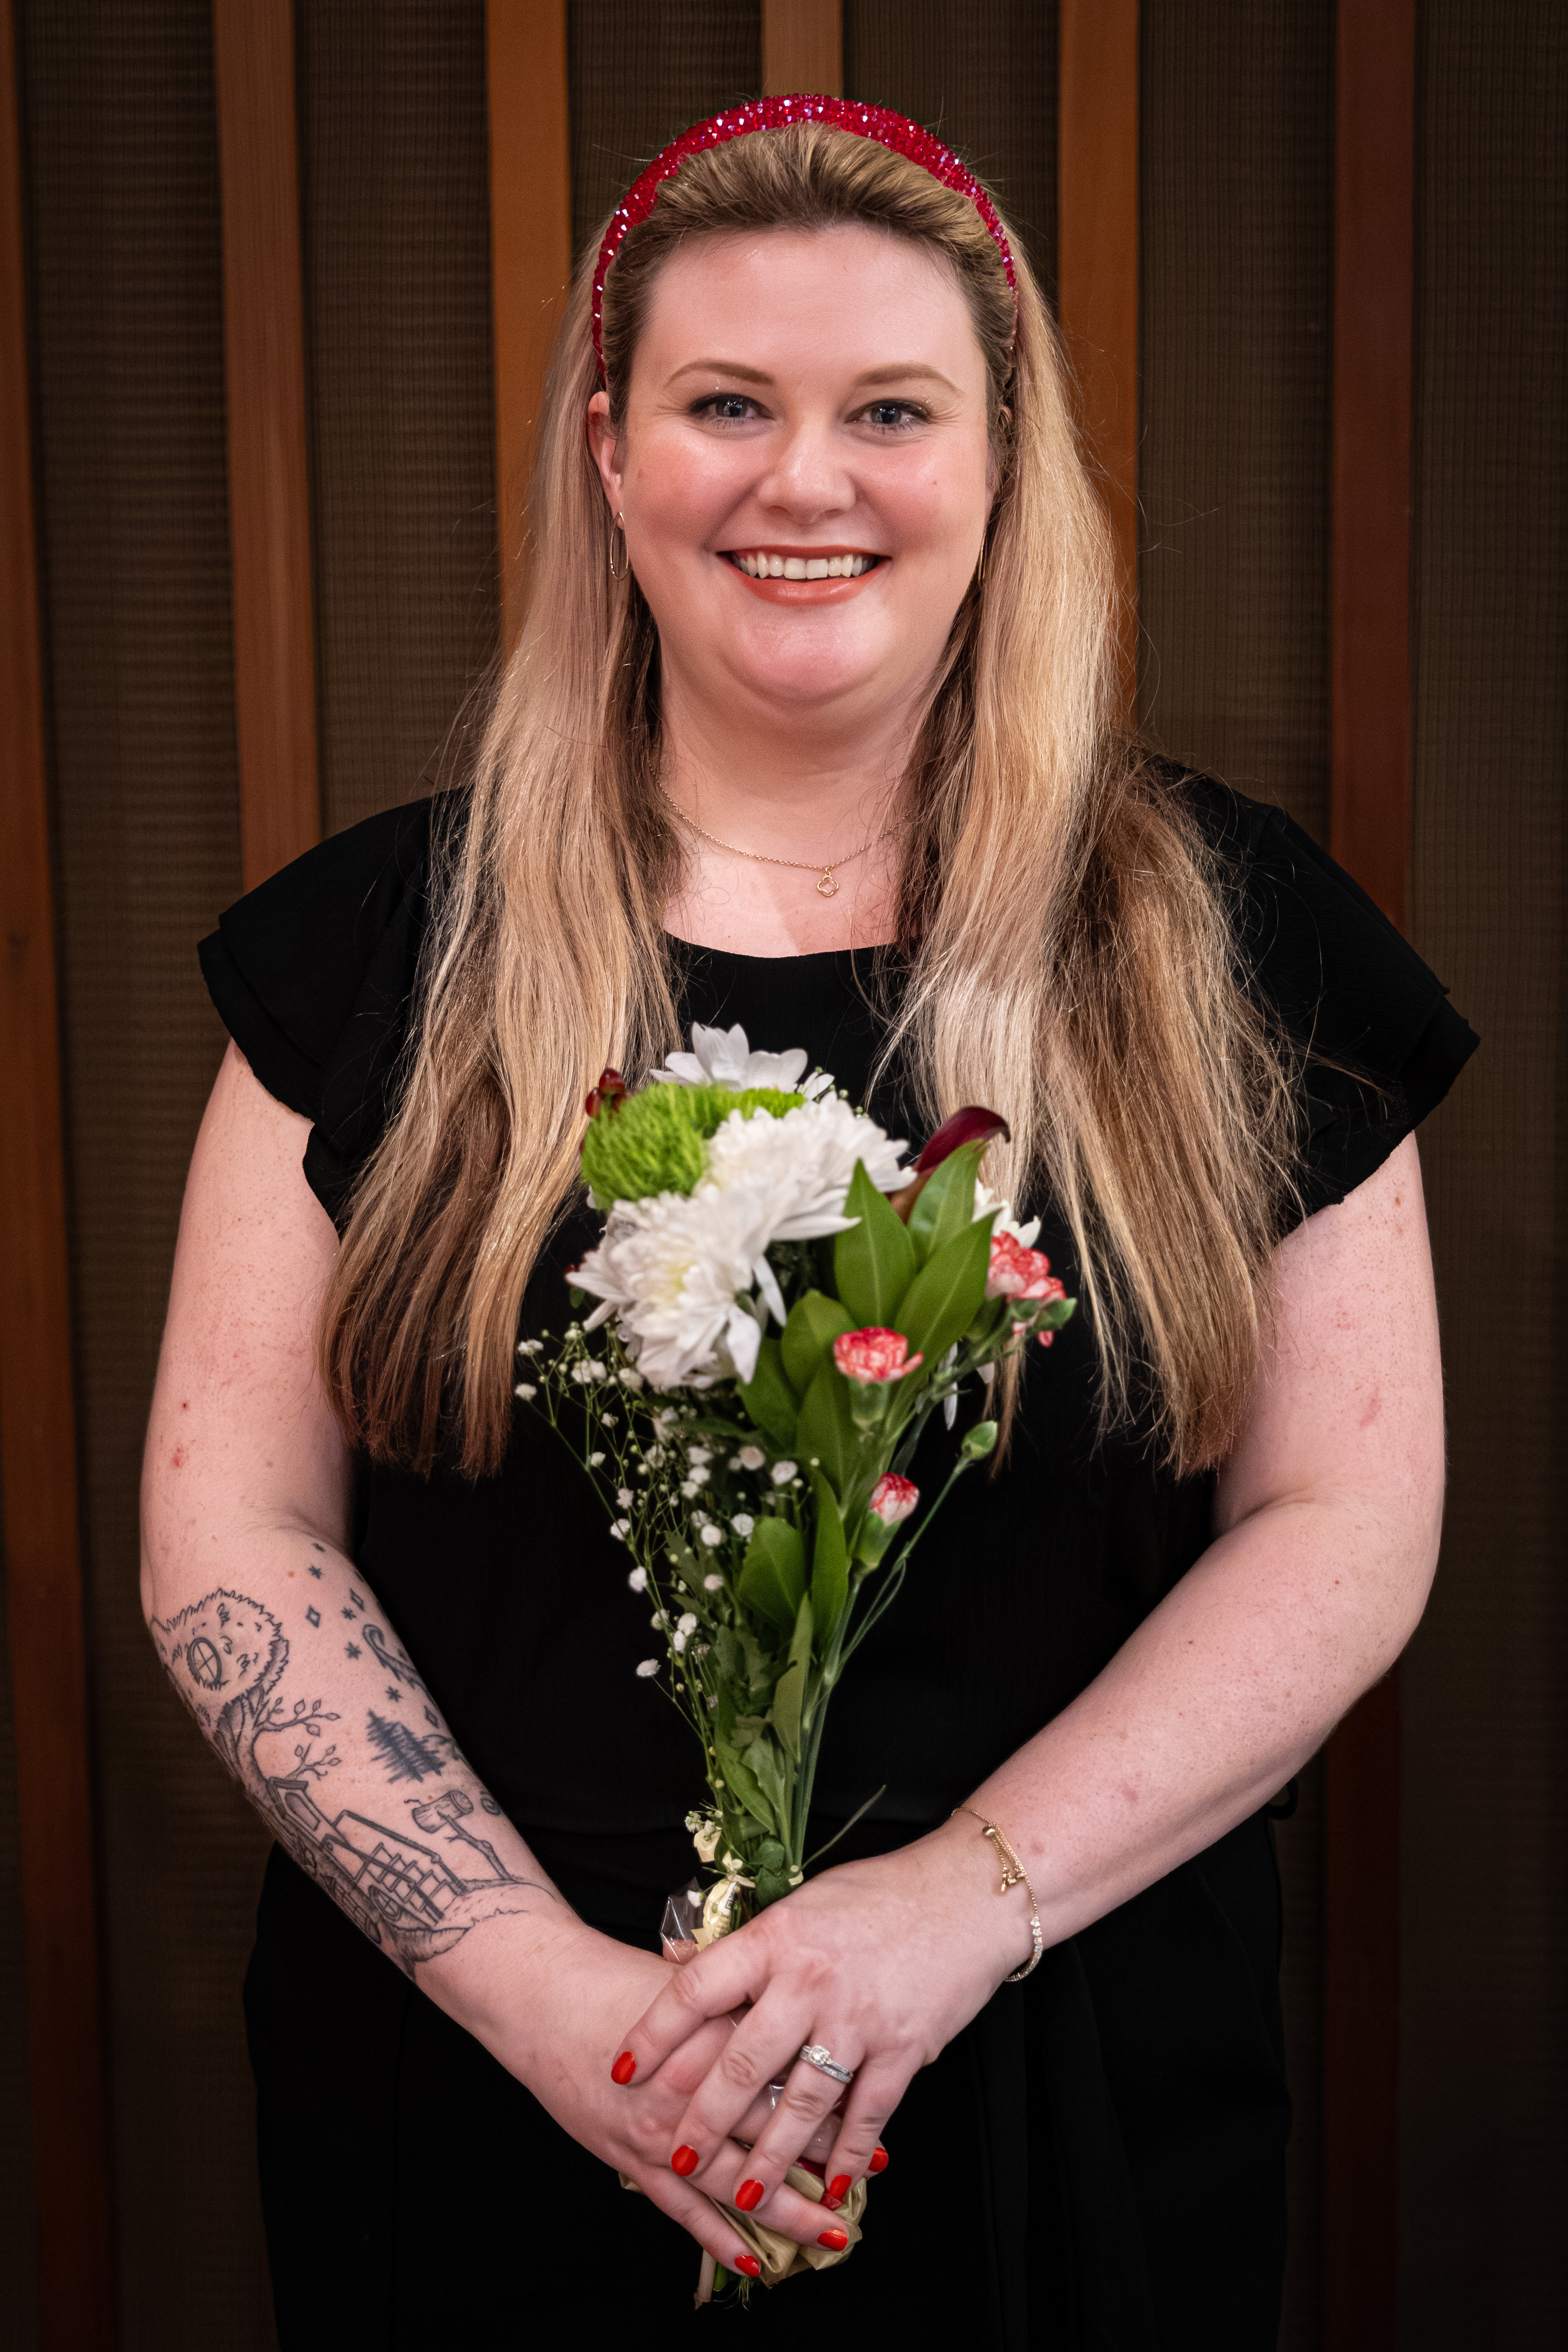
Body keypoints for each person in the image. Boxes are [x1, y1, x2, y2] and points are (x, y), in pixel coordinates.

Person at [141, 99, 1475, 2350]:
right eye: (726, 405)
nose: (804, 481)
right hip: (490, 2105)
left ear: (999, 458)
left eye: (889, 411)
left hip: (1059, 2073)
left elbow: (1344, 1521)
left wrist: (948, 1914)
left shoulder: (1231, 940)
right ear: (610, 453)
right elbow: (232, 1534)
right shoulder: (380, 950)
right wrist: (550, 1999)